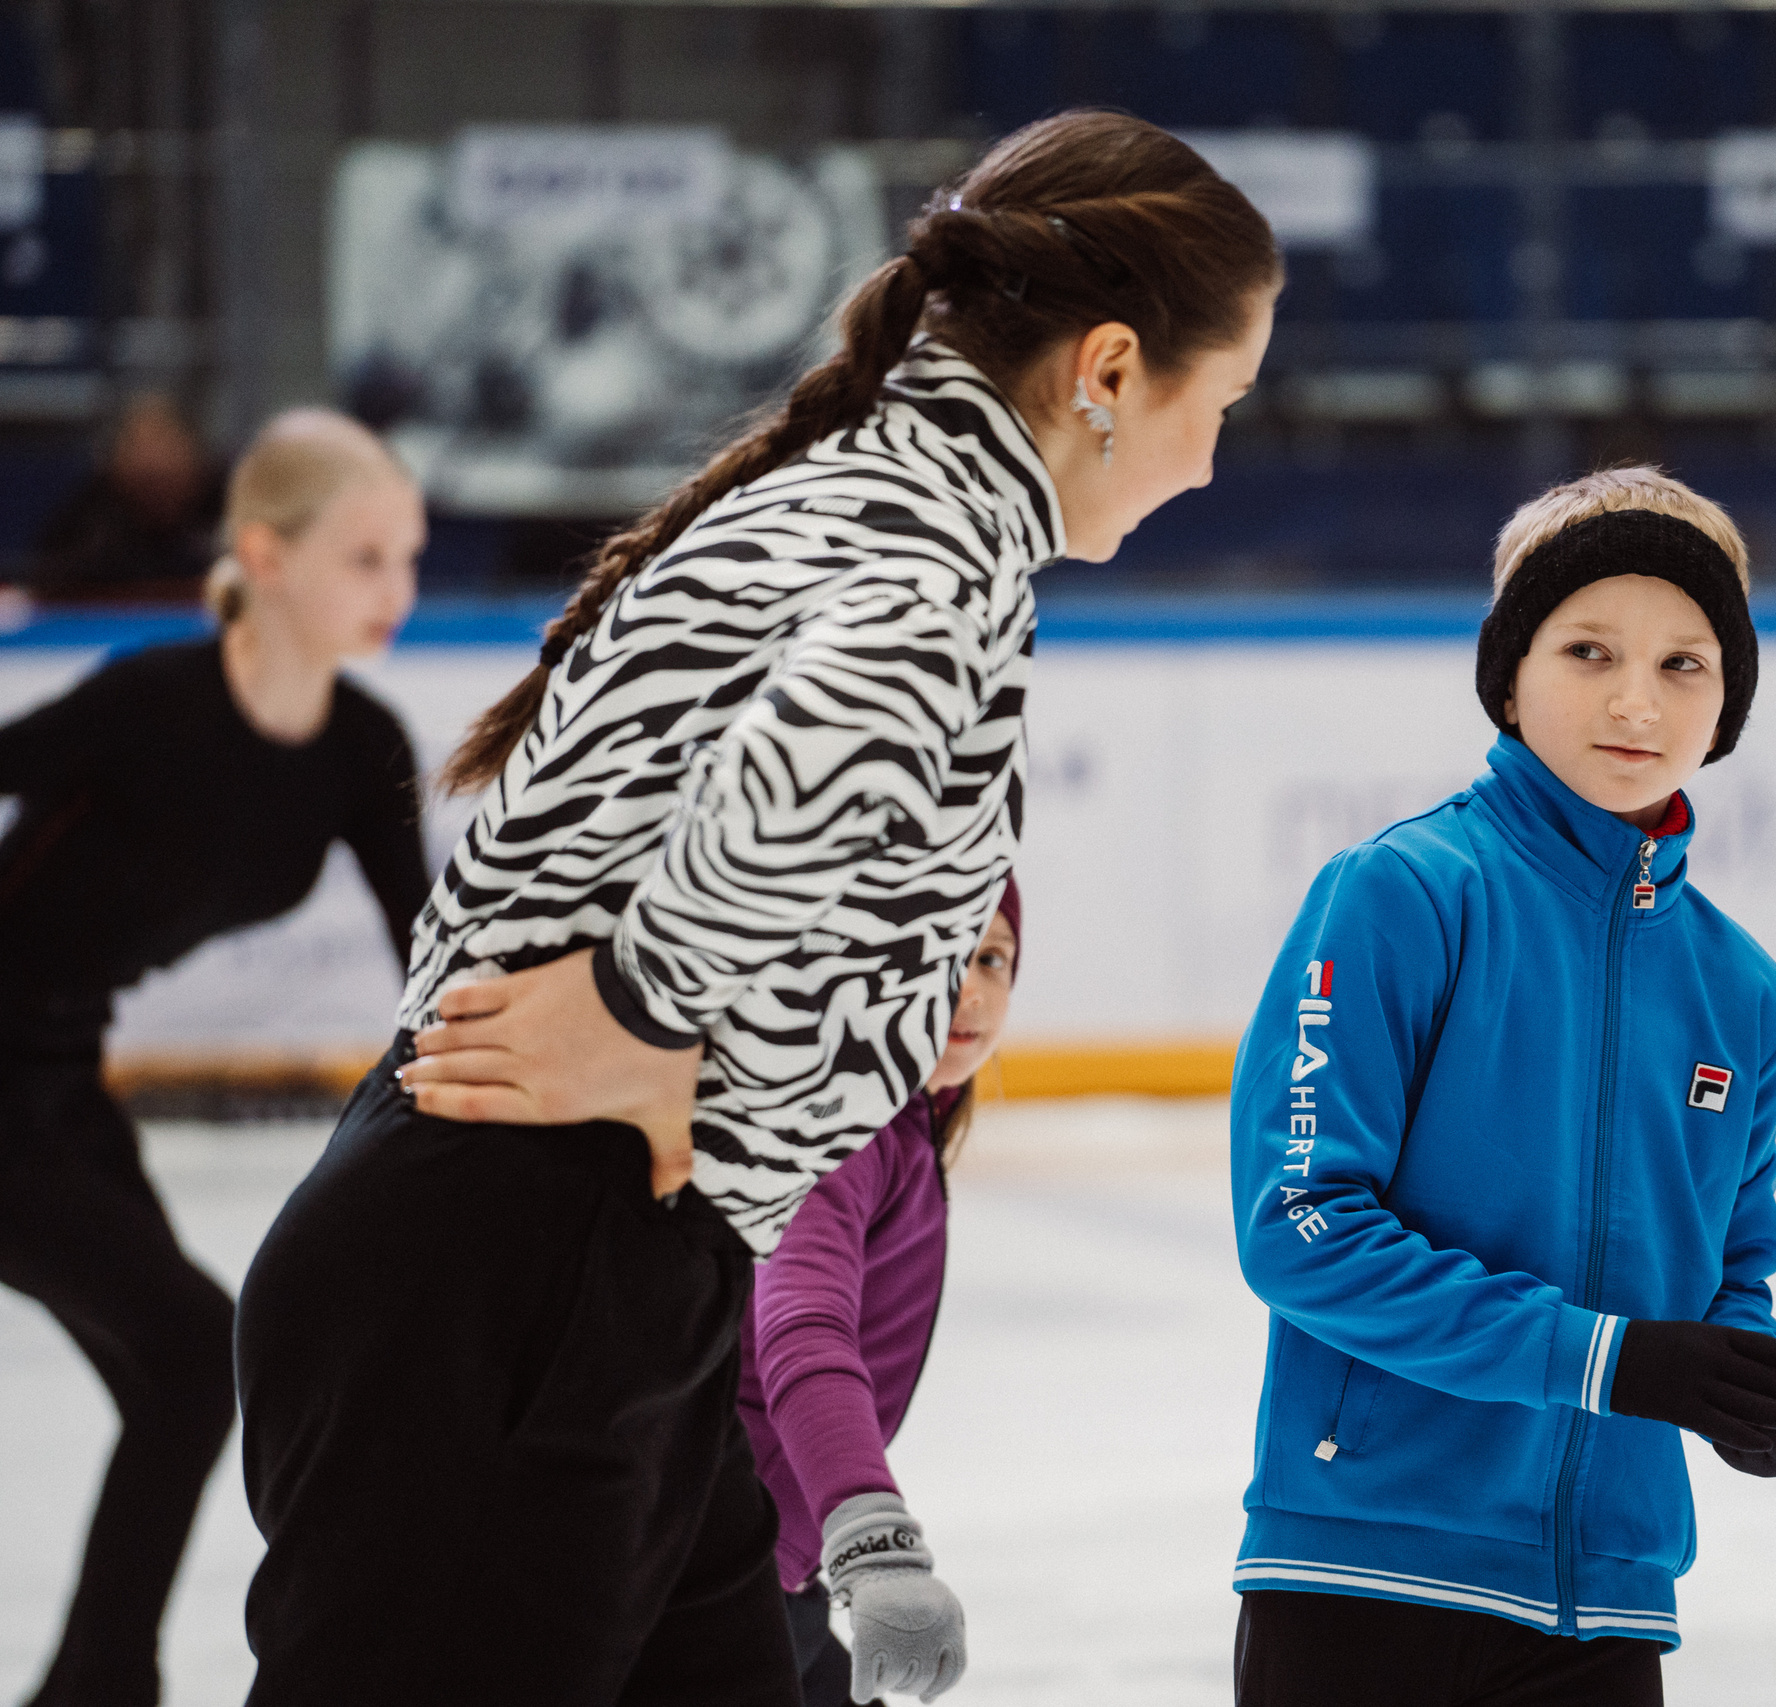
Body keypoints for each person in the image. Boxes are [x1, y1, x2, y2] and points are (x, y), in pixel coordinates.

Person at [232, 111, 1278, 1707]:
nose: (1217, 459)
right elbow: (826, 744)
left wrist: (680, 1050)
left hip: (588, 1274)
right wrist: (652, 1011)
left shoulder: (876, 491)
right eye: (1226, 402)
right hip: (517, 1280)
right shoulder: (931, 549)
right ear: (1115, 368)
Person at [1225, 467, 1776, 1707]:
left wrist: (1752, 1386)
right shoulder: (1402, 895)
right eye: (1588, 650)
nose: (1635, 699)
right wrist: (1612, 1361)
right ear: (1509, 677)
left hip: (1607, 1595)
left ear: (1728, 702)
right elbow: (1301, 1232)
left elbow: (1726, 1275)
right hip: (1364, 1572)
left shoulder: (1743, 990)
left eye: (1685, 663)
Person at [0, 406, 428, 1707]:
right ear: (266, 553)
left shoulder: (361, 750)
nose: (397, 592)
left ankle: (94, 1683)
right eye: (365, 558)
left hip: (56, 1077)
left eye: (409, 557)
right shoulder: (144, 702)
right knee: (194, 1344)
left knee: (185, 1372)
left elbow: (441, 948)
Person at [741, 879, 1019, 1707]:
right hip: (702, 1566)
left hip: (767, 1569)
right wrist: (875, 1542)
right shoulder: (846, 1120)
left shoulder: (903, 1119)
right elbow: (801, 1322)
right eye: (945, 957)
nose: (973, 989)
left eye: (995, 958)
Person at [30, 393, 224, 603]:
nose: (152, 461)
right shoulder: (90, 522)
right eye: (137, 445)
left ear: (193, 451)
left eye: (163, 441)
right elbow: (51, 583)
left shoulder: (225, 510)